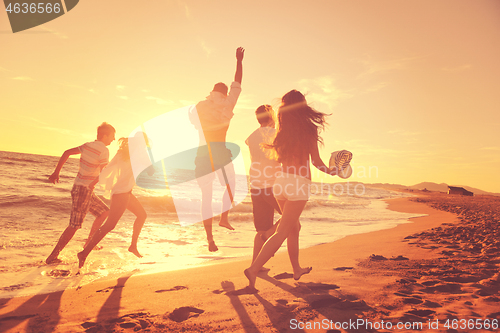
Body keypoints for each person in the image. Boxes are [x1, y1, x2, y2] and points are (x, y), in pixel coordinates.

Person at [244, 90, 351, 291]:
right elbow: (317, 162)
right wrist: (332, 171)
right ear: (303, 106)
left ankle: (296, 269)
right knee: (283, 231)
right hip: (298, 183)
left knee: (293, 228)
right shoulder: (309, 129)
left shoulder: (280, 131)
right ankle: (254, 269)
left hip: (280, 183)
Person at [191, 47, 244, 252]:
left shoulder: (200, 106)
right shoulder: (227, 103)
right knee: (232, 185)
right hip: (220, 151)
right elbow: (237, 84)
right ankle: (224, 217)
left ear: (212, 91)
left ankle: (210, 239)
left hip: (203, 153)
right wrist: (239, 61)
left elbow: (193, 123)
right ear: (224, 93)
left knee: (206, 197)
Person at [45, 122, 115, 264]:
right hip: (83, 189)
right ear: (105, 135)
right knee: (75, 225)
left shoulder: (87, 145)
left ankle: (88, 244)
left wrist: (56, 172)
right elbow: (103, 172)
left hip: (82, 188)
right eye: (112, 136)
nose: (113, 140)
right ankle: (52, 257)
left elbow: (66, 152)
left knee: (104, 213)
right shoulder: (103, 150)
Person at [77, 136, 151, 268]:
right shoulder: (139, 156)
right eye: (145, 143)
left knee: (142, 215)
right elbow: (150, 172)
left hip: (125, 192)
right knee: (109, 225)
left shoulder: (124, 154)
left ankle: (133, 246)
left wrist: (94, 182)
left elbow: (107, 168)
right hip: (121, 194)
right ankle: (84, 253)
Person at [245, 105, 283, 267]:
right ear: (271, 116)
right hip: (272, 186)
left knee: (260, 229)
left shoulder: (251, 137)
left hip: (255, 186)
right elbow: (280, 158)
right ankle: (269, 235)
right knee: (290, 217)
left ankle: (256, 265)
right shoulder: (276, 135)